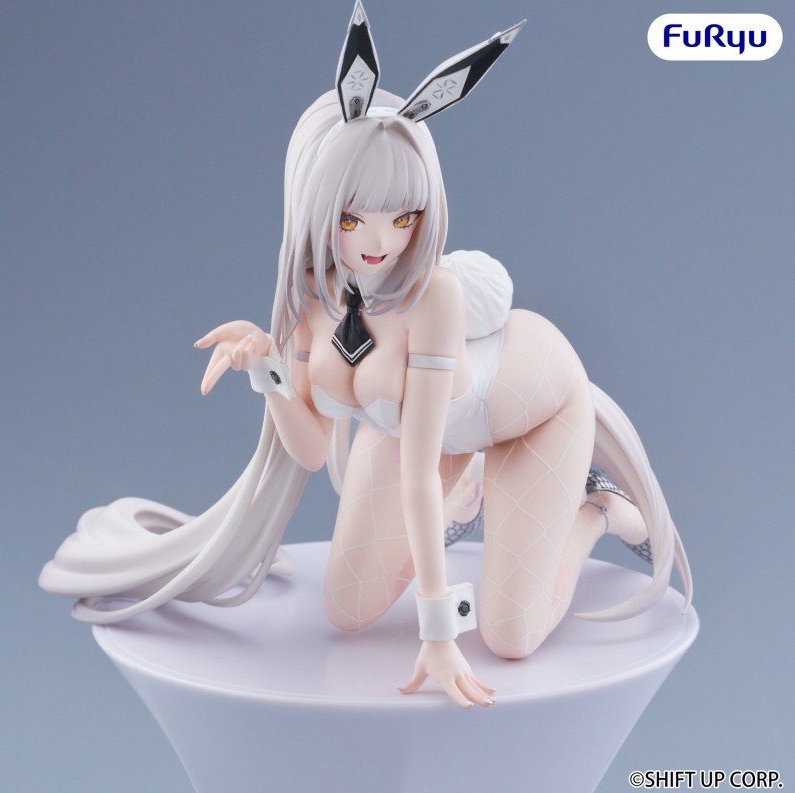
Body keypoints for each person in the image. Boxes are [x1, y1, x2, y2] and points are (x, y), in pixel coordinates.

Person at [40, 2, 691, 708]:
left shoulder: (432, 296)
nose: (379, 241)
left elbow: (416, 479)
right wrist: (266, 370)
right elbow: (311, 448)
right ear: (319, 206)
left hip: (532, 405)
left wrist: (438, 630)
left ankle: (596, 509)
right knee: (346, 608)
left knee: (508, 634)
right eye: (353, 217)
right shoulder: (311, 298)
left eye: (402, 217)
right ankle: (473, 484)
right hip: (421, 429)